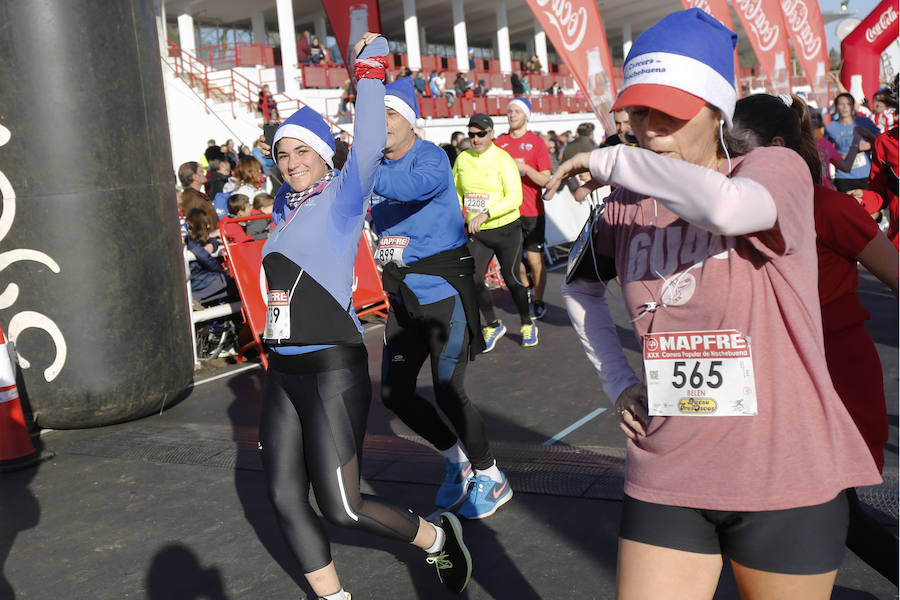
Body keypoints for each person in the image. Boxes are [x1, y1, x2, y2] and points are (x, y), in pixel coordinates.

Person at [548, 10, 880, 598]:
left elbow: (730, 210)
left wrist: (612, 161)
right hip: (668, 464)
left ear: (714, 110)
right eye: (638, 111)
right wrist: (617, 380)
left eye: (668, 113)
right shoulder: (625, 202)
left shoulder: (771, 169)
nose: (650, 130)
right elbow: (579, 286)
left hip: (783, 472)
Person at [258, 33, 471, 600]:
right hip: (281, 371)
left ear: (325, 155)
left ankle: (434, 538)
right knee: (282, 497)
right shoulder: (284, 208)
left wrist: (370, 75)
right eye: (283, 153)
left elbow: (371, 141)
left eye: (302, 150)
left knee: (344, 508)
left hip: (330, 368)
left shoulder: (342, 196)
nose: (291, 162)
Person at [730, 92, 899, 586]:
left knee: (830, 509)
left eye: (736, 149)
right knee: (801, 508)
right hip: (769, 378)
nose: (727, 162)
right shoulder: (725, 214)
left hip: (837, 373)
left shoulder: (825, 207)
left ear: (776, 146)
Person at [371, 77, 512, 520]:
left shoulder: (430, 156)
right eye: (377, 115)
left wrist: (355, 165)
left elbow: (409, 189)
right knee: (394, 394)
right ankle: (456, 459)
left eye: (390, 114)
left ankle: (491, 474)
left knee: (450, 389)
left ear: (410, 121)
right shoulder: (372, 166)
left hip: (443, 294)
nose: (383, 123)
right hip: (403, 298)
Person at [452, 113, 533, 349]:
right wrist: (459, 207)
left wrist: (486, 213)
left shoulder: (503, 159)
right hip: (479, 232)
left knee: (512, 279)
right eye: (471, 135)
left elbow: (515, 198)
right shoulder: (463, 159)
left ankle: (527, 322)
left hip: (507, 229)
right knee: (472, 279)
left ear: (491, 134)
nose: (475, 139)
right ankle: (493, 324)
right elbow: (456, 189)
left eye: (480, 134)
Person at [494, 97, 553, 319]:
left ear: (526, 115)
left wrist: (526, 168)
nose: (512, 115)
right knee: (514, 263)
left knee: (536, 260)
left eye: (517, 111)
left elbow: (545, 179)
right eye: (509, 111)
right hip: (508, 212)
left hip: (532, 212)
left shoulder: (536, 143)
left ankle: (538, 299)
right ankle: (527, 289)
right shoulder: (499, 143)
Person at [824, 92, 880, 192]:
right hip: (843, 177)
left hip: (865, 174)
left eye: (848, 104)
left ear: (853, 106)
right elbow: (825, 151)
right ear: (836, 107)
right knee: (847, 207)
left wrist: (869, 145)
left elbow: (880, 141)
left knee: (868, 206)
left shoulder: (864, 122)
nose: (845, 107)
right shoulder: (830, 127)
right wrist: (836, 158)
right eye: (841, 104)